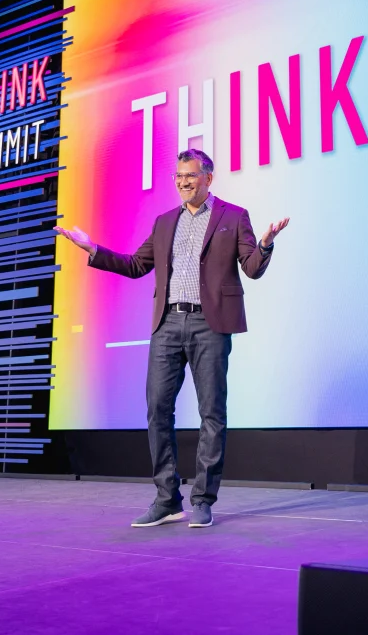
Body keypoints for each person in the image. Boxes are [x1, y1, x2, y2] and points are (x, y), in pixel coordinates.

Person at [55, 148, 288, 529]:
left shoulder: (233, 216)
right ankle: (167, 499)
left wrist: (264, 245)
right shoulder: (165, 222)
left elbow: (252, 269)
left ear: (208, 178)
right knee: (157, 410)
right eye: (179, 177)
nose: (183, 182)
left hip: (209, 325)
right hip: (166, 325)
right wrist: (92, 248)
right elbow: (135, 265)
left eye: (191, 176)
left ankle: (203, 499)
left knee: (211, 413)